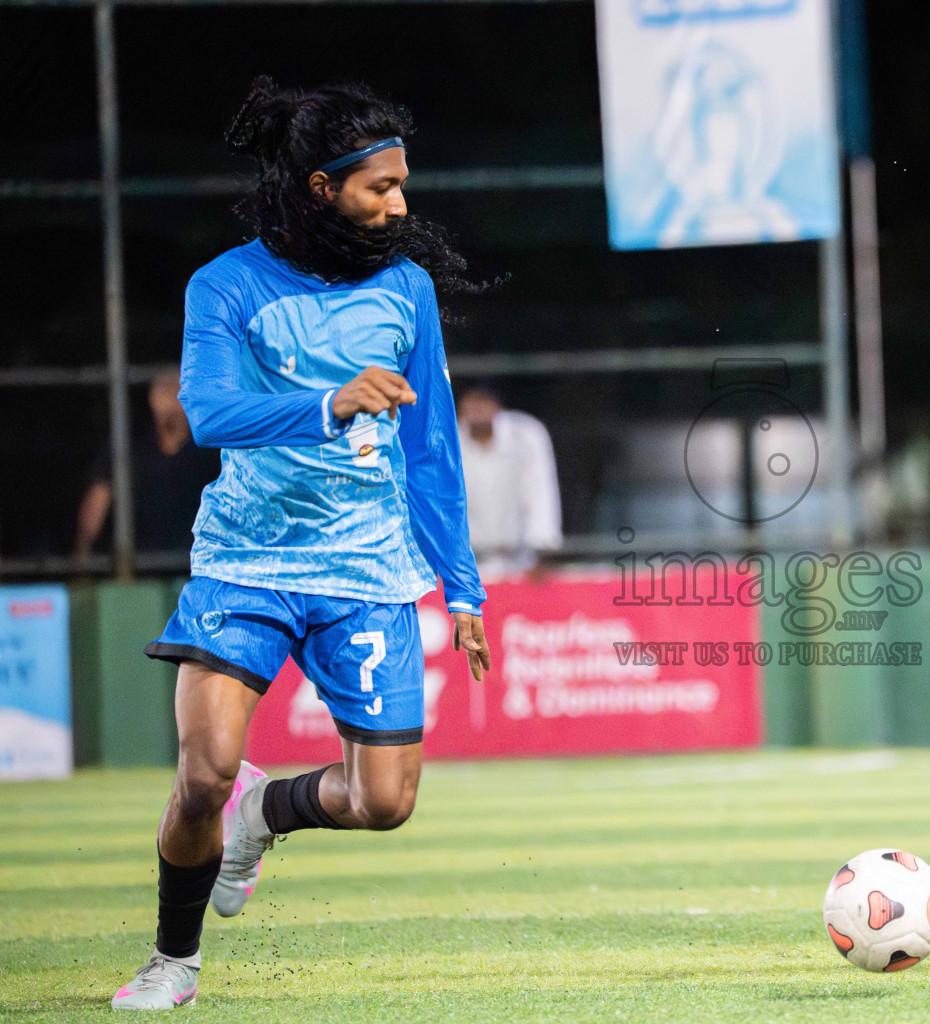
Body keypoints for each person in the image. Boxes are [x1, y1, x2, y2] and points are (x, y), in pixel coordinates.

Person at [110, 77, 491, 1010]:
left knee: (383, 802)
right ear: (322, 187)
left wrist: (463, 589)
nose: (399, 205)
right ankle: (173, 961)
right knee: (202, 773)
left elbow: (432, 449)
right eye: (380, 188)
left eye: (402, 186)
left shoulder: (407, 291)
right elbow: (209, 413)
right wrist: (329, 403)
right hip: (247, 562)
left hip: (367, 568)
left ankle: (265, 810)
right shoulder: (227, 285)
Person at [73, 373, 221, 563]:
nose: (172, 398)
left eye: (178, 390)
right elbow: (97, 502)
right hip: (140, 567)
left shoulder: (213, 455)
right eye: (164, 390)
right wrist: (82, 558)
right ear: (151, 397)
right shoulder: (127, 451)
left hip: (198, 564)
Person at [456, 384, 562, 578]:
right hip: (463, 566)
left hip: (521, 563)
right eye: (471, 400)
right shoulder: (445, 440)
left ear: (497, 404)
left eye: (484, 400)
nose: (477, 408)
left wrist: (542, 552)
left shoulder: (527, 434)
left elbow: (541, 494)